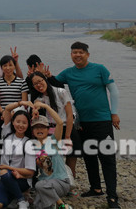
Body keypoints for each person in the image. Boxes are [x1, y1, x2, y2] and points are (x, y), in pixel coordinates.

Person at [46, 41, 121, 209]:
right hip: (82, 123)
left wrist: (114, 113)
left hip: (102, 120)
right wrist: (47, 76)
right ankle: (96, 188)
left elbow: (114, 91)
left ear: (87, 54)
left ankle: (112, 197)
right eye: (74, 52)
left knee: (107, 158)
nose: (77, 55)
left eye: (81, 52)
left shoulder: (100, 69)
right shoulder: (68, 73)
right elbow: (53, 86)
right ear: (71, 55)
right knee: (89, 155)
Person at [30, 71, 80, 177]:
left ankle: (70, 184)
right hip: (52, 132)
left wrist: (67, 137)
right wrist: (35, 110)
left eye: (40, 81)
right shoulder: (40, 98)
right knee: (54, 162)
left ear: (45, 79)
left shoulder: (61, 92)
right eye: (35, 84)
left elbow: (69, 115)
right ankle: (54, 181)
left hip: (67, 128)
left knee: (71, 163)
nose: (39, 85)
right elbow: (36, 105)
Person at [31, 101, 73, 209]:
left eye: (42, 127)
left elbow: (59, 122)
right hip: (45, 183)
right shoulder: (33, 147)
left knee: (39, 185)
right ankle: (52, 204)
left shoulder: (53, 140)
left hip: (61, 182)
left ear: (48, 129)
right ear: (33, 131)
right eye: (36, 127)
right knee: (37, 205)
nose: (39, 129)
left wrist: (45, 106)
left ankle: (62, 205)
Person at [0, 101, 36, 209]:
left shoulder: (28, 143)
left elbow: (30, 172)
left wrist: (8, 168)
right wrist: (21, 103)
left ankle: (21, 200)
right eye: (18, 121)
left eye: (24, 123)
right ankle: (18, 197)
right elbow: (7, 109)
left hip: (21, 179)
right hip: (4, 178)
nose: (20, 125)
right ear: (12, 122)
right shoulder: (7, 133)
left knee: (5, 173)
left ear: (28, 125)